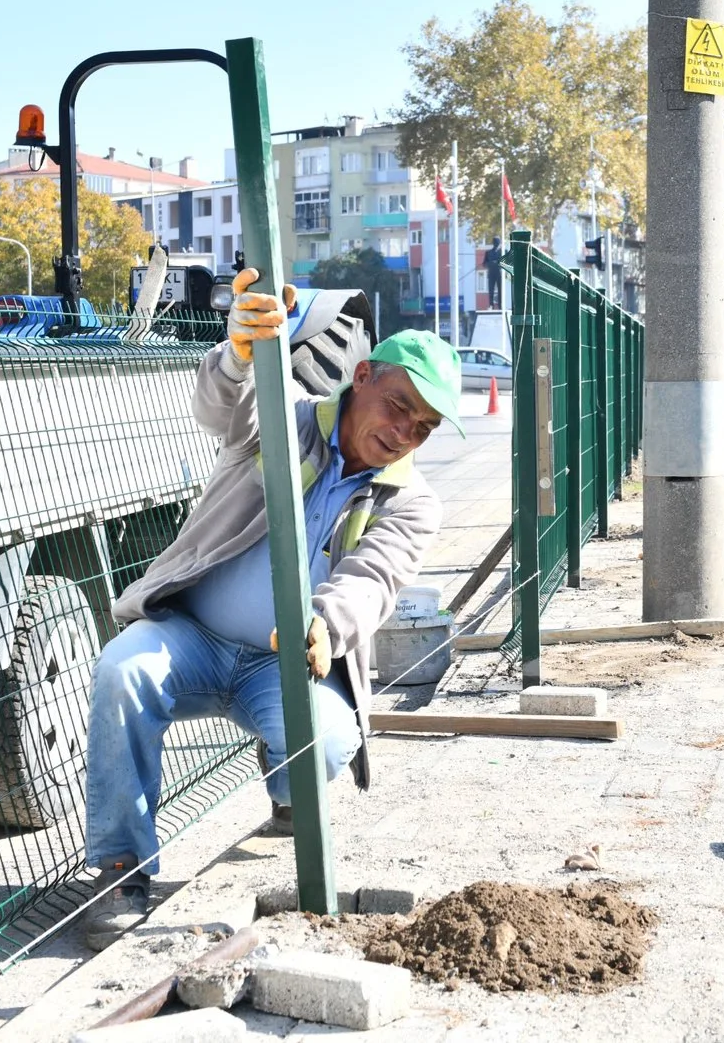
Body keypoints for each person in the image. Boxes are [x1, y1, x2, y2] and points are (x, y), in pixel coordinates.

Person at [78, 268, 463, 948]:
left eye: (424, 427)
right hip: (190, 636)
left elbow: (372, 579)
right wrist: (238, 350)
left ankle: (283, 781)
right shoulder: (286, 421)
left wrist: (326, 625)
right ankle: (120, 868)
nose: (405, 431)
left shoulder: (412, 501)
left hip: (280, 665)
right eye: (399, 405)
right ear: (364, 374)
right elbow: (217, 404)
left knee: (327, 741)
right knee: (121, 672)